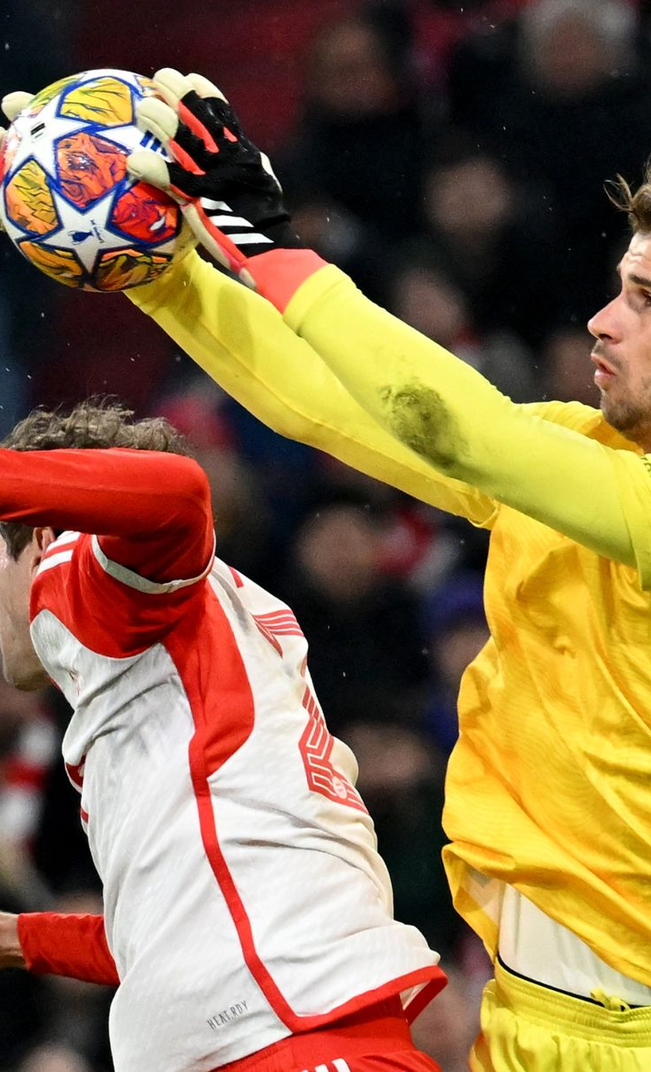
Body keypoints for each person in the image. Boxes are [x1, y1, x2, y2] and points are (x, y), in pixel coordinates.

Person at [21, 70, 651, 1069]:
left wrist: (267, 244)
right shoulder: (577, 455)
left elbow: (448, 424)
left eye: (645, 301)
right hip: (531, 1027)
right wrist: (166, 277)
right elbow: (331, 405)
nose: (602, 321)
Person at [0, 398, 444, 1071]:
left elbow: (177, 490)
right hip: (293, 1025)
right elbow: (179, 929)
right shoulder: (194, 640)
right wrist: (20, 937)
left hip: (284, 1041)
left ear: (39, 537)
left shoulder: (91, 572)